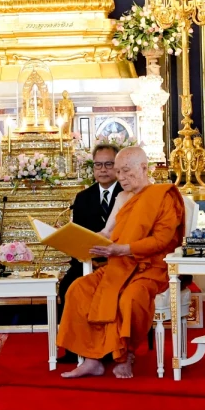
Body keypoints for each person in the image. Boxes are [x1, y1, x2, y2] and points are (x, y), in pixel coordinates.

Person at [58, 147, 185, 379]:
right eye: (118, 171)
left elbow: (161, 241)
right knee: (78, 289)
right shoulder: (122, 197)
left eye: (126, 171)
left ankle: (126, 355)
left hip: (150, 269)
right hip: (119, 266)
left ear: (144, 168)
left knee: (130, 298)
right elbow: (107, 232)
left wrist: (123, 249)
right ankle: (92, 359)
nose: (121, 177)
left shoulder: (163, 196)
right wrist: (77, 239)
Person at [60, 144, 123, 340]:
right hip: (87, 261)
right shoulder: (83, 198)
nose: (103, 170)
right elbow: (78, 235)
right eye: (98, 165)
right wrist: (88, 259)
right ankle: (74, 346)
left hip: (120, 260)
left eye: (108, 164)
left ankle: (111, 345)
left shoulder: (128, 194)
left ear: (118, 166)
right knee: (68, 286)